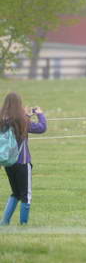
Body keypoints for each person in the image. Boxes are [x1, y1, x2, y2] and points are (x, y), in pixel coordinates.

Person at [0, 92, 47, 226]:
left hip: (8, 162)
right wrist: (40, 114)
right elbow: (41, 128)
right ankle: (23, 224)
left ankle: (4, 222)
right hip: (22, 162)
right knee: (26, 195)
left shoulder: (2, 120)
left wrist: (25, 116)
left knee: (15, 192)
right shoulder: (23, 121)